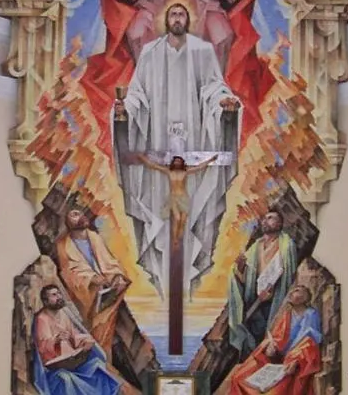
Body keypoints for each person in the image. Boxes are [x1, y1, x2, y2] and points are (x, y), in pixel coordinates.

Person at [81, 0, 275, 158]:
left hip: (202, 2)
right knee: (136, 30)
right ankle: (147, 95)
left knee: (223, 34)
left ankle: (213, 99)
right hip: (160, 2)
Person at [113, 3, 238, 299]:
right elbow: (138, 94)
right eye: (173, 14)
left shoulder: (203, 52)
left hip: (197, 139)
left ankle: (189, 280)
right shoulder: (150, 53)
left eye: (182, 14)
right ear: (165, 20)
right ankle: (164, 281)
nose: (178, 19)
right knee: (159, 216)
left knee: (195, 216)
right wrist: (125, 109)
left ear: (189, 20)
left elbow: (214, 88)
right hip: (156, 141)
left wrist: (223, 103)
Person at [54, 209, 130, 354]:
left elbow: (109, 262)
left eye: (80, 213)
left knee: (107, 335)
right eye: (74, 214)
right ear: (67, 222)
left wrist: (117, 277)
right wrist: (92, 278)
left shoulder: (95, 237)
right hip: (87, 298)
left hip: (107, 295)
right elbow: (69, 273)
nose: (80, 216)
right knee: (92, 334)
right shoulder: (63, 245)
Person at [229, 285, 323, 395]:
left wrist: (296, 360)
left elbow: (309, 341)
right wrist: (271, 347)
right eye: (292, 290)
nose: (291, 293)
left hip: (296, 363)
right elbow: (277, 338)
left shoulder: (310, 314)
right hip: (277, 360)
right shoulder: (287, 314)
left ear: (305, 297)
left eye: (297, 291)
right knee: (239, 378)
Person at [227, 210, 298, 355]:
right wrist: (240, 267)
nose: (265, 221)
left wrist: (271, 294)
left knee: (270, 335)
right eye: (264, 218)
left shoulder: (286, 245)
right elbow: (246, 277)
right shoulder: (256, 246)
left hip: (274, 301)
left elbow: (288, 276)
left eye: (270, 218)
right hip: (255, 301)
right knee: (252, 336)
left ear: (279, 223)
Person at [31, 285, 121, 395]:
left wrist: (85, 342)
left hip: (73, 362)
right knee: (66, 379)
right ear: (45, 301)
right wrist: (56, 340)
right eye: (54, 295)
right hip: (55, 369)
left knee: (98, 367)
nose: (59, 297)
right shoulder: (41, 319)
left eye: (59, 293)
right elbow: (42, 347)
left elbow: (74, 335)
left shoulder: (63, 313)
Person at [137, 154, 218, 252]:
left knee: (183, 221)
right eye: (175, 161)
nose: (177, 163)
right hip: (173, 198)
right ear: (173, 162)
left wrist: (210, 160)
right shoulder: (168, 171)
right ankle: (175, 239)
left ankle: (178, 239)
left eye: (179, 161)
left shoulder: (185, 172)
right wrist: (142, 158)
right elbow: (153, 165)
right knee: (177, 218)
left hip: (184, 198)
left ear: (182, 163)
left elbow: (199, 167)